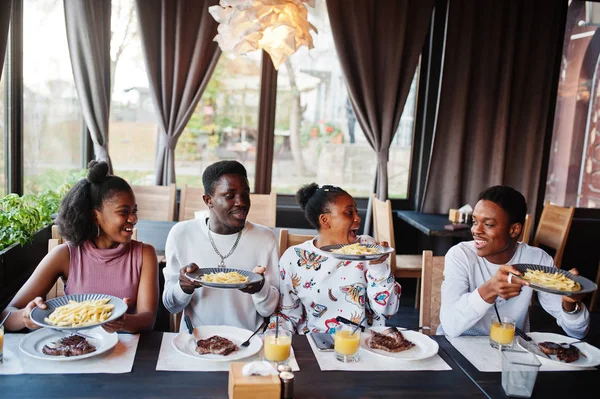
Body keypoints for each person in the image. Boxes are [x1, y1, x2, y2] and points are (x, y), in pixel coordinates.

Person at [1, 161, 159, 333]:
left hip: (124, 352)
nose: (133, 219)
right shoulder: (66, 254)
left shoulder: (144, 254)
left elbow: (148, 319)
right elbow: (6, 315)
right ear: (95, 216)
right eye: (123, 212)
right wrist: (26, 316)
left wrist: (123, 322)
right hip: (74, 350)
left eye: (134, 211)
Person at [439, 185, 589, 338]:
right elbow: (450, 326)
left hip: (511, 350)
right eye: (475, 221)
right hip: (460, 347)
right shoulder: (460, 256)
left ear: (514, 230)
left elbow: (578, 332)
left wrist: (570, 304)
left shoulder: (536, 260)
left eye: (488, 224)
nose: (476, 230)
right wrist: (490, 289)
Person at [162, 160, 279, 331]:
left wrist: (260, 288)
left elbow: (268, 309)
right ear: (208, 200)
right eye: (230, 196)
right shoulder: (181, 234)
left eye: (245, 194)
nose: (241, 202)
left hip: (249, 342)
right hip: (196, 342)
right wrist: (183, 287)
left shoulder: (265, 238)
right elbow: (171, 306)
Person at [275, 183, 401, 334]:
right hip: (315, 344)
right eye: (349, 213)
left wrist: (378, 266)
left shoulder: (367, 248)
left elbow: (388, 310)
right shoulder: (293, 258)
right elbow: (287, 316)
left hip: (363, 344)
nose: (357, 218)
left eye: (356, 211)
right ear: (325, 220)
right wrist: (273, 339)